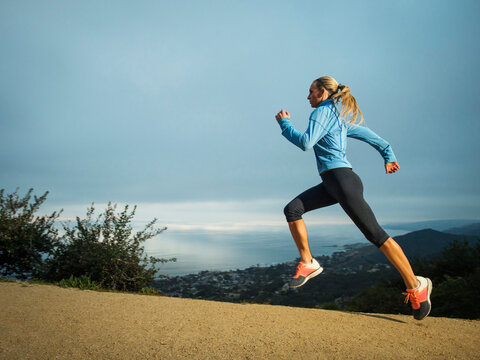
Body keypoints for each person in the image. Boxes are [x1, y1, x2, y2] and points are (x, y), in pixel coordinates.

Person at [275, 76, 432, 320]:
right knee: (293, 210)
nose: (307, 97)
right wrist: (388, 155)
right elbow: (372, 136)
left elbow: (306, 143)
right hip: (333, 183)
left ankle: (416, 286)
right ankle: (308, 262)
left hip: (342, 182)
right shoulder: (337, 118)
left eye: (311, 92)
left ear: (324, 93)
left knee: (376, 235)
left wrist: (285, 124)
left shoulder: (321, 113)